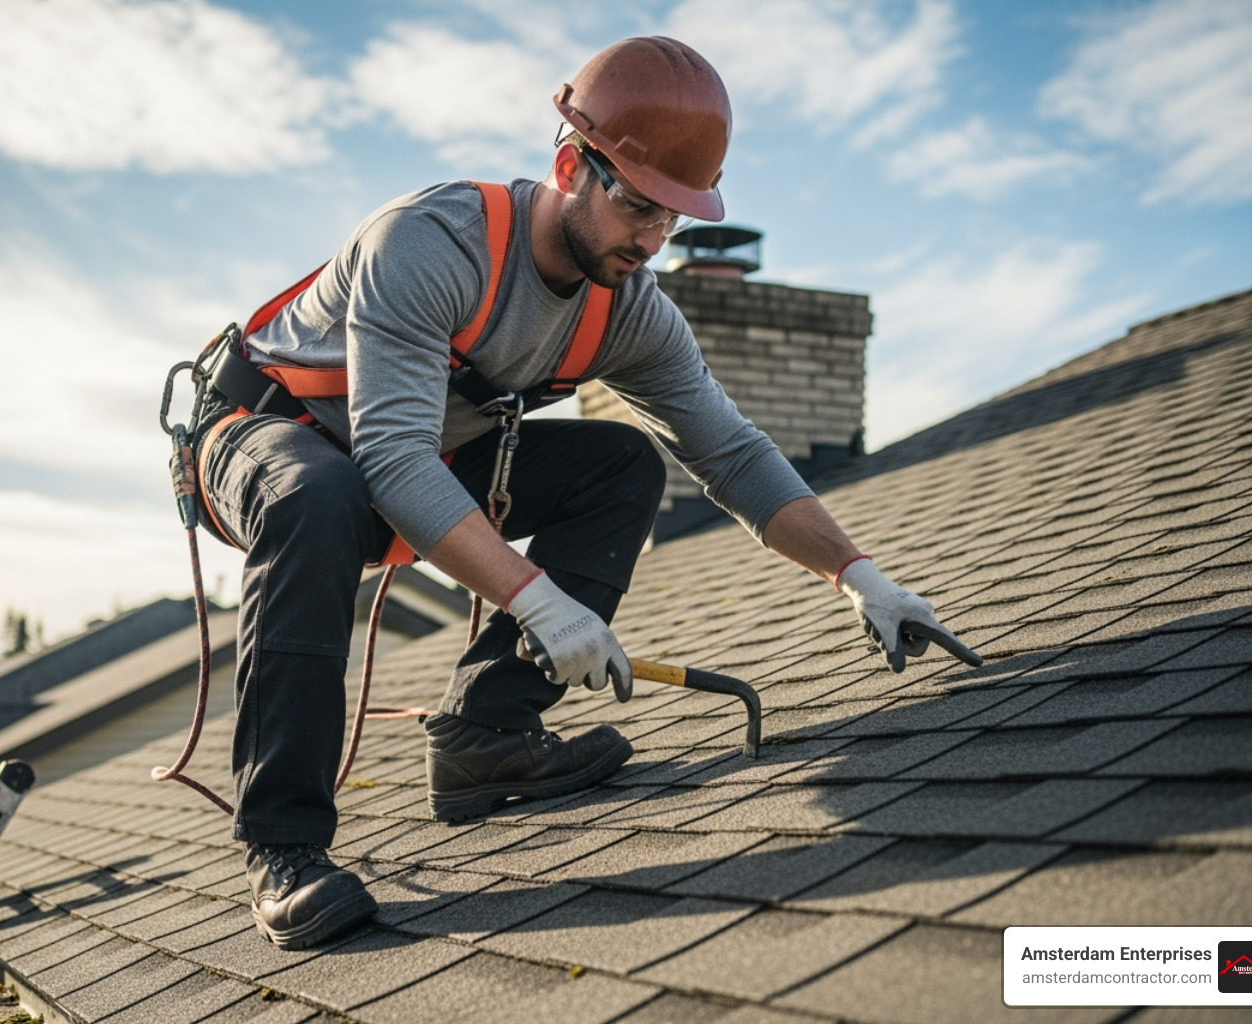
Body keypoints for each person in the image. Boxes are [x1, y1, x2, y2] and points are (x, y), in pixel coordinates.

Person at [190, 36, 979, 951]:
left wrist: (858, 575)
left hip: (399, 465)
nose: (649, 240)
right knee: (316, 496)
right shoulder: (433, 243)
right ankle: (283, 851)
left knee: (625, 462)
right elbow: (396, 462)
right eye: (636, 205)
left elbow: (729, 450)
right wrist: (539, 601)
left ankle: (488, 733)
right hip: (264, 438)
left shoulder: (629, 304)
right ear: (572, 165)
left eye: (670, 222)